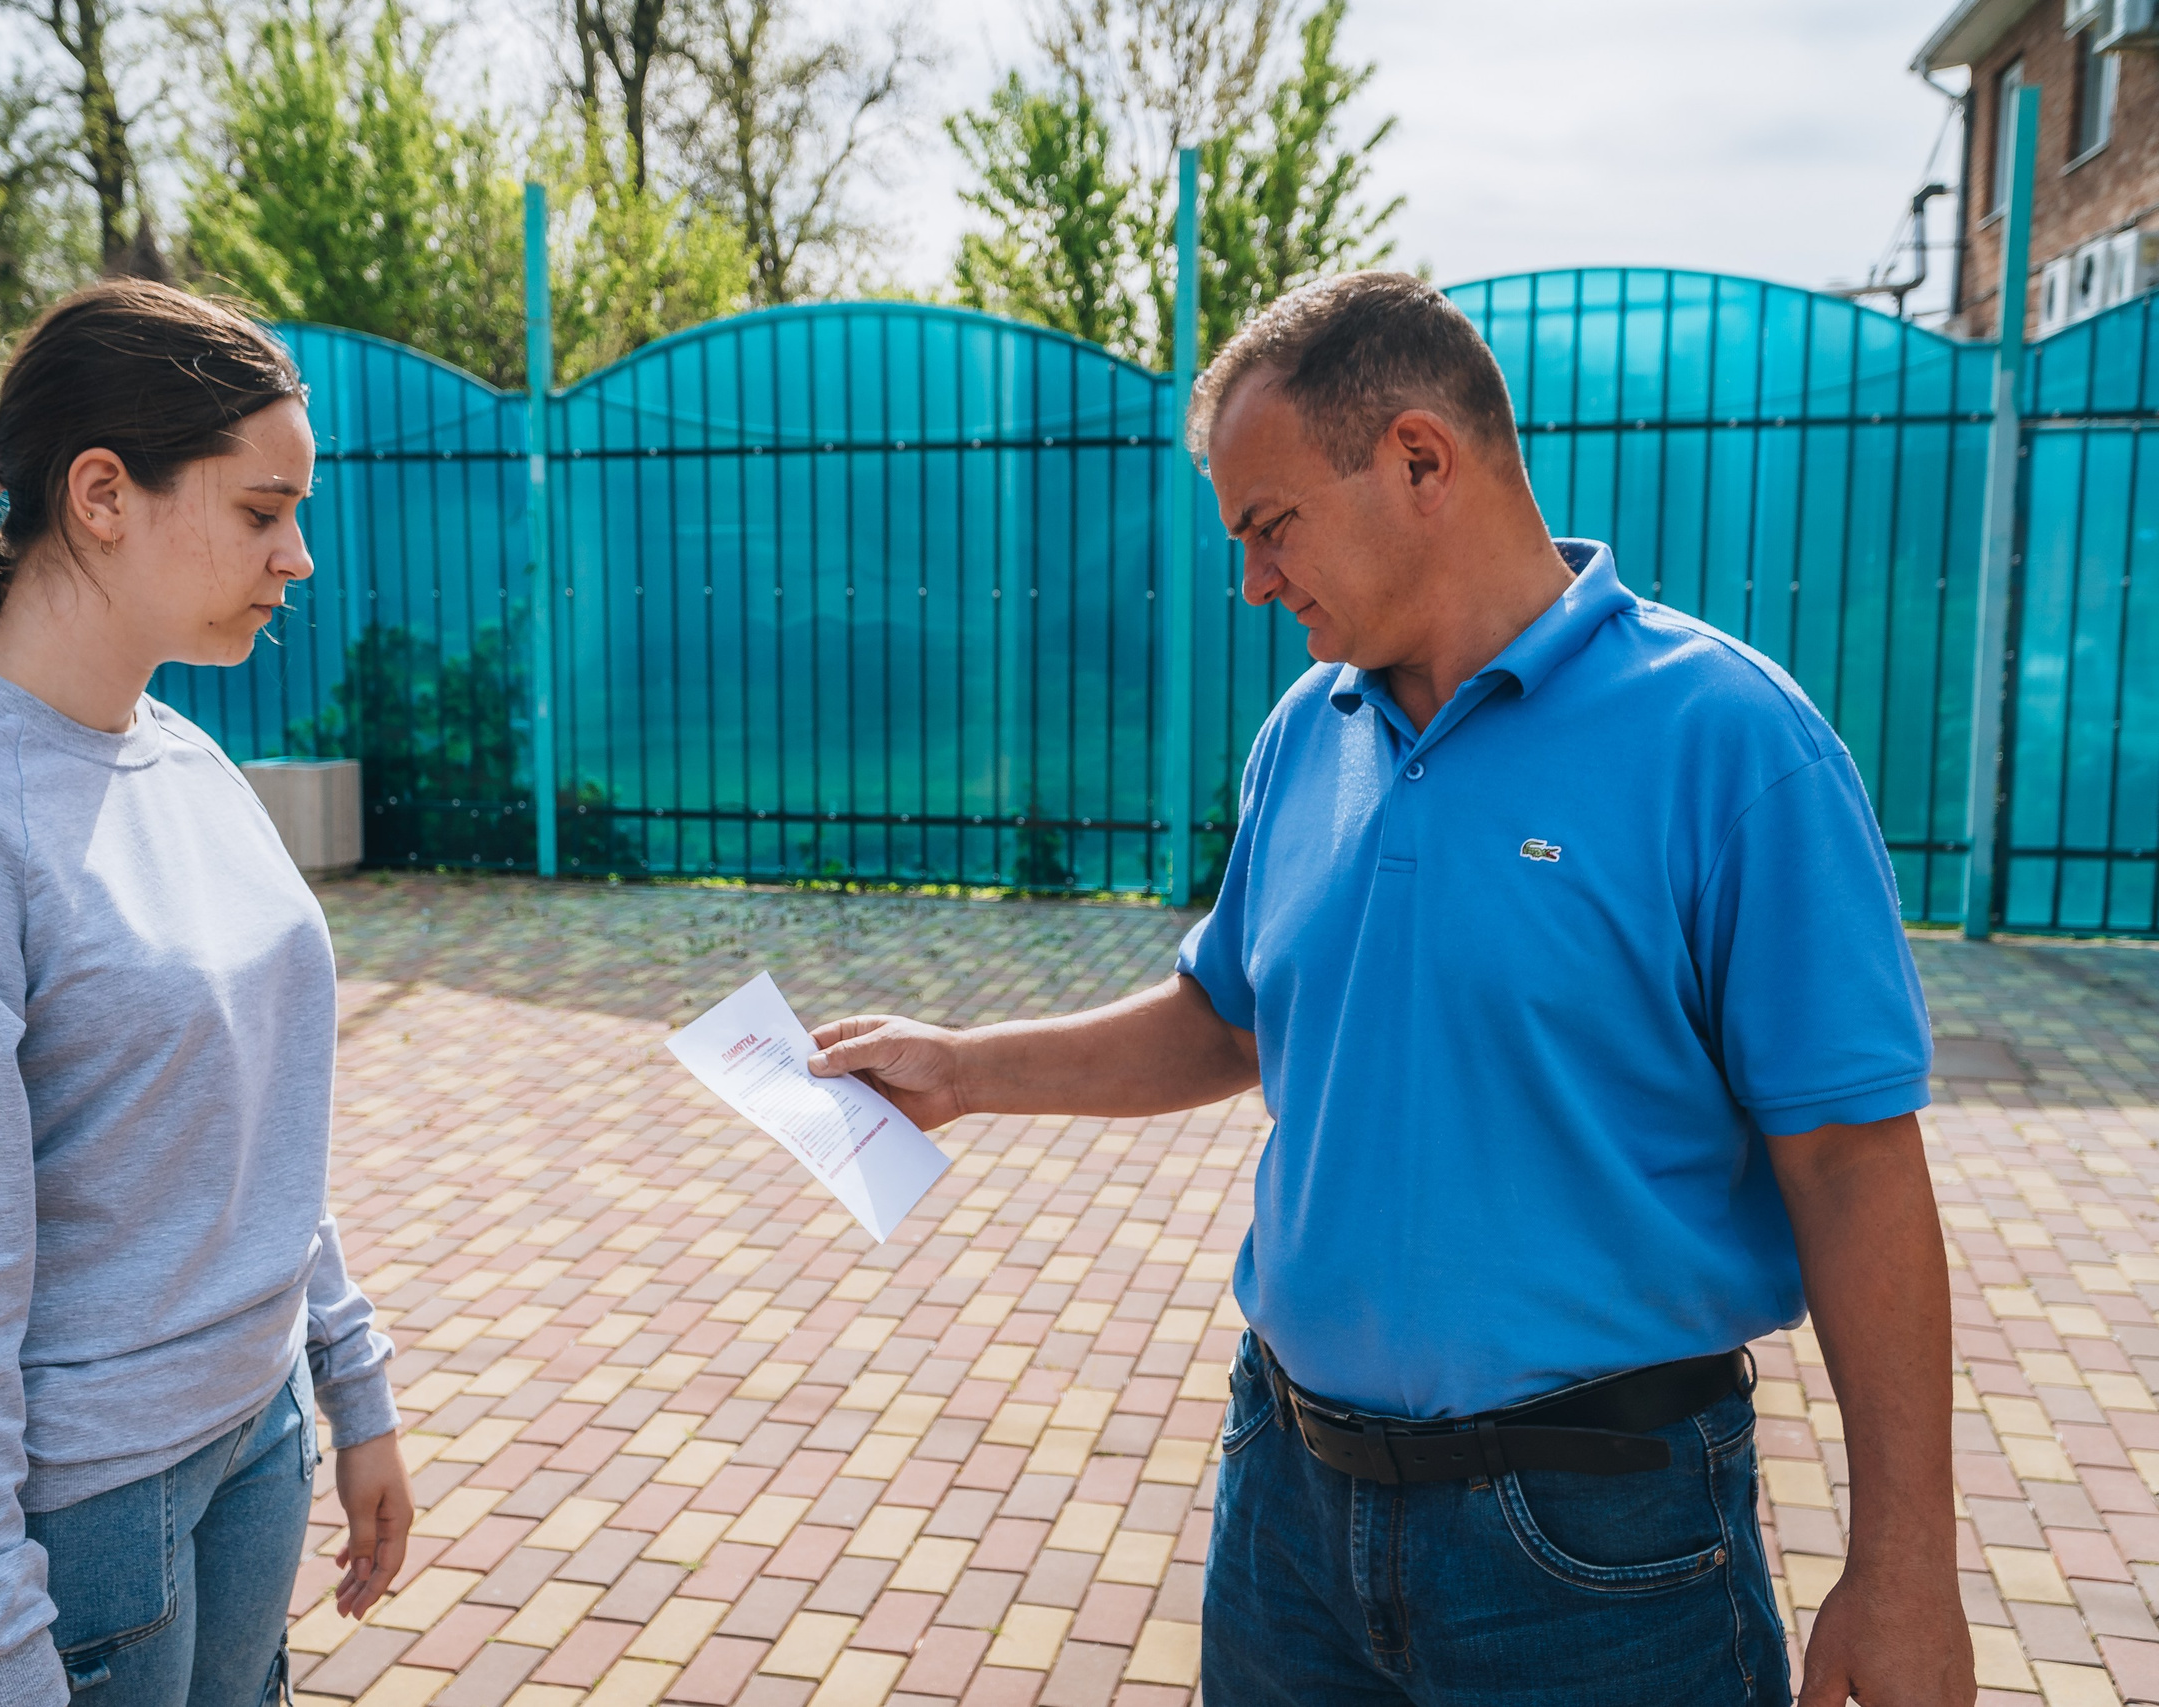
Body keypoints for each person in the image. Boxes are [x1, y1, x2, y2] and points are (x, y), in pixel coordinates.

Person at [808, 272, 1970, 1707]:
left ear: (1420, 459)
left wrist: (1905, 1567)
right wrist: (966, 1068)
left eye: (1270, 524)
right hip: (1289, 1517)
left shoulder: (1731, 742)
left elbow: (1852, 1165)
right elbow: (1227, 1015)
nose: (1252, 580)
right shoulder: (1310, 728)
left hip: (1597, 1553)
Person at [0, 280, 413, 1706]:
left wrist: (348, 1387)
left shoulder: (182, 757)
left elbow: (246, 1117)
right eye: (261, 510)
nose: (298, 555)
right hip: (56, 1532)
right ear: (103, 493)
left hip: (246, 1442)